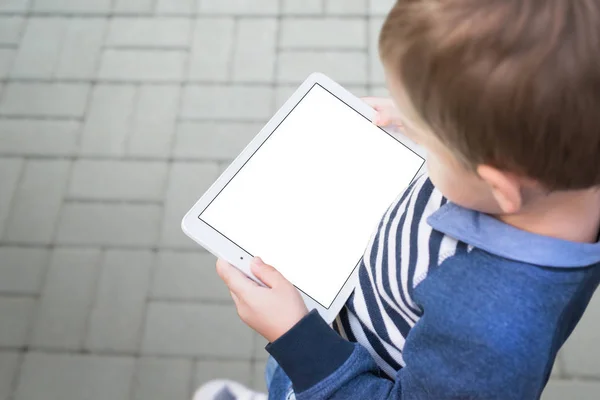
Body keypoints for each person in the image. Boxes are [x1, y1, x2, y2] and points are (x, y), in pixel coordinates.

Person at [194, 0, 600, 398]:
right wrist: (433, 124)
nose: (411, 131)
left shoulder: (490, 332)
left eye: (425, 136)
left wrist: (295, 339)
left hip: (329, 369)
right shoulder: (573, 168)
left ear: (499, 185)